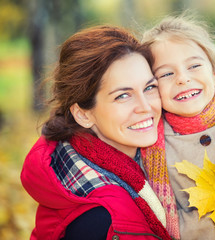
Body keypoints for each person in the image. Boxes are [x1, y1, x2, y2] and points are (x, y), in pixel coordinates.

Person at [20, 25, 173, 240]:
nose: (146, 107)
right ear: (83, 114)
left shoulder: (151, 159)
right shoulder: (100, 220)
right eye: (123, 96)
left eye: (149, 88)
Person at [140, 14, 215, 240]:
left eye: (194, 66)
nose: (182, 79)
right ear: (152, 87)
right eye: (167, 73)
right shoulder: (150, 145)